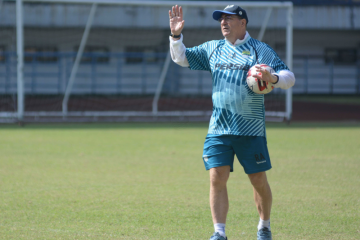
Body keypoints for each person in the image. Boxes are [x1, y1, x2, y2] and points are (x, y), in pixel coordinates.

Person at [168, 4, 295, 240]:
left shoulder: (260, 50)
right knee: (217, 176)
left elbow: (289, 77)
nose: (223, 23)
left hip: (251, 130)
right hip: (219, 128)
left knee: (258, 181)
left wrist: (273, 78)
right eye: (220, 19)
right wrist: (176, 35)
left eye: (229, 19)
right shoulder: (213, 48)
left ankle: (264, 226)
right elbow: (181, 58)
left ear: (243, 23)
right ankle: (219, 233)